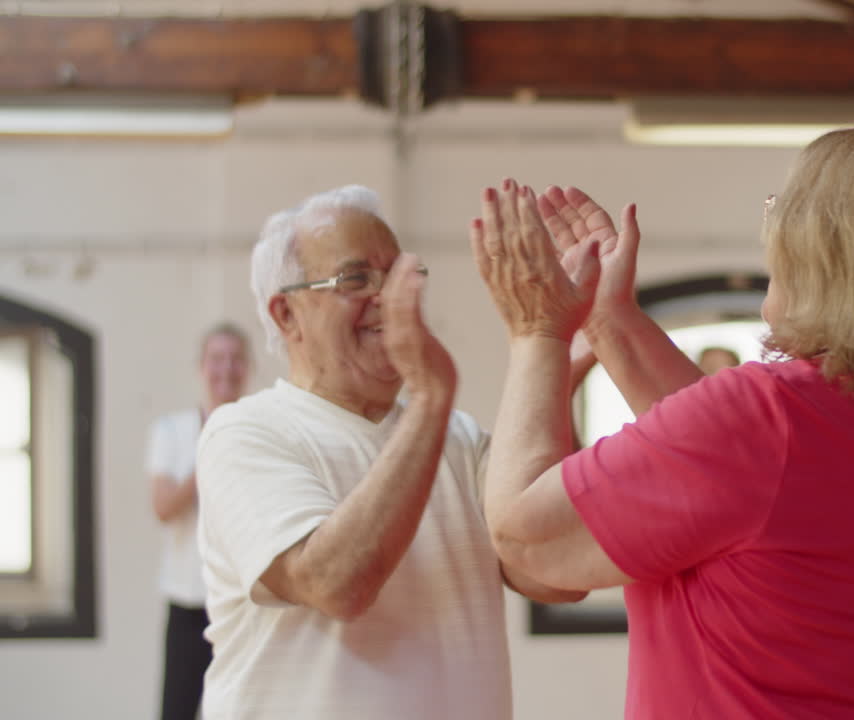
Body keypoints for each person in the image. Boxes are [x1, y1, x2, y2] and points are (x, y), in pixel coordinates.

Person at [471, 126, 854, 719]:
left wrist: (537, 334)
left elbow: (526, 540)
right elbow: (742, 486)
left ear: (831, 246)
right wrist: (610, 320)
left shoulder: (769, 423)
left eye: (781, 210)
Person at [195, 185, 582, 720]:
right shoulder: (245, 432)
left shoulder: (458, 439)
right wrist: (430, 397)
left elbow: (557, 571)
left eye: (398, 278)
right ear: (287, 315)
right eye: (356, 279)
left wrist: (556, 356)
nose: (387, 299)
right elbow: (333, 583)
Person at [147, 322, 250, 720]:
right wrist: (211, 448)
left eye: (236, 359)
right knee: (177, 711)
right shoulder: (170, 431)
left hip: (244, 604)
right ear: (201, 367)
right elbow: (163, 507)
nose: (226, 369)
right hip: (188, 603)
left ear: (248, 366)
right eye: (216, 359)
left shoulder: (258, 429)